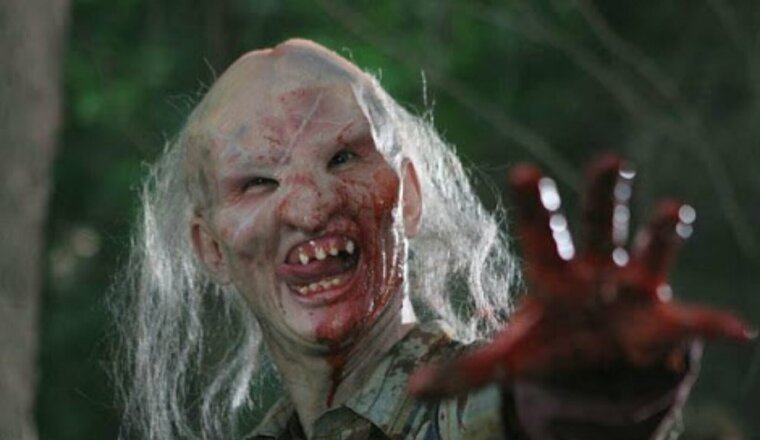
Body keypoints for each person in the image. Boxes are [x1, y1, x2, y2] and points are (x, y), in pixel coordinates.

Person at [114, 39, 755, 439]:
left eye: (344, 158)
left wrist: (589, 390)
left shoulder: (486, 406)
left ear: (410, 196)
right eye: (258, 182)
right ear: (211, 248)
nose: (310, 208)